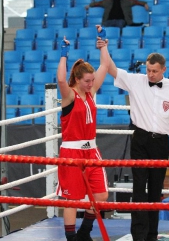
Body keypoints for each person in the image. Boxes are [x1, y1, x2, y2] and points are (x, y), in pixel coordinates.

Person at [97, 38, 169, 241]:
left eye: (154, 71)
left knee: (155, 191)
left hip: (161, 143)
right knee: (138, 189)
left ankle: (152, 235)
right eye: (148, 70)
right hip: (140, 140)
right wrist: (104, 47)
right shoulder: (137, 81)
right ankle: (139, 236)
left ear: (163, 69)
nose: (150, 74)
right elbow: (111, 68)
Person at [56, 25, 110, 241]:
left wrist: (103, 44)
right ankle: (72, 239)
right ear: (77, 80)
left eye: (92, 80)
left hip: (92, 150)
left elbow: (105, 64)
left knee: (101, 196)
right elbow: (61, 80)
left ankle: (84, 232)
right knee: (73, 199)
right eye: (87, 81)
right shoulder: (69, 96)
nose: (91, 83)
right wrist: (63, 56)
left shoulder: (91, 93)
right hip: (71, 153)